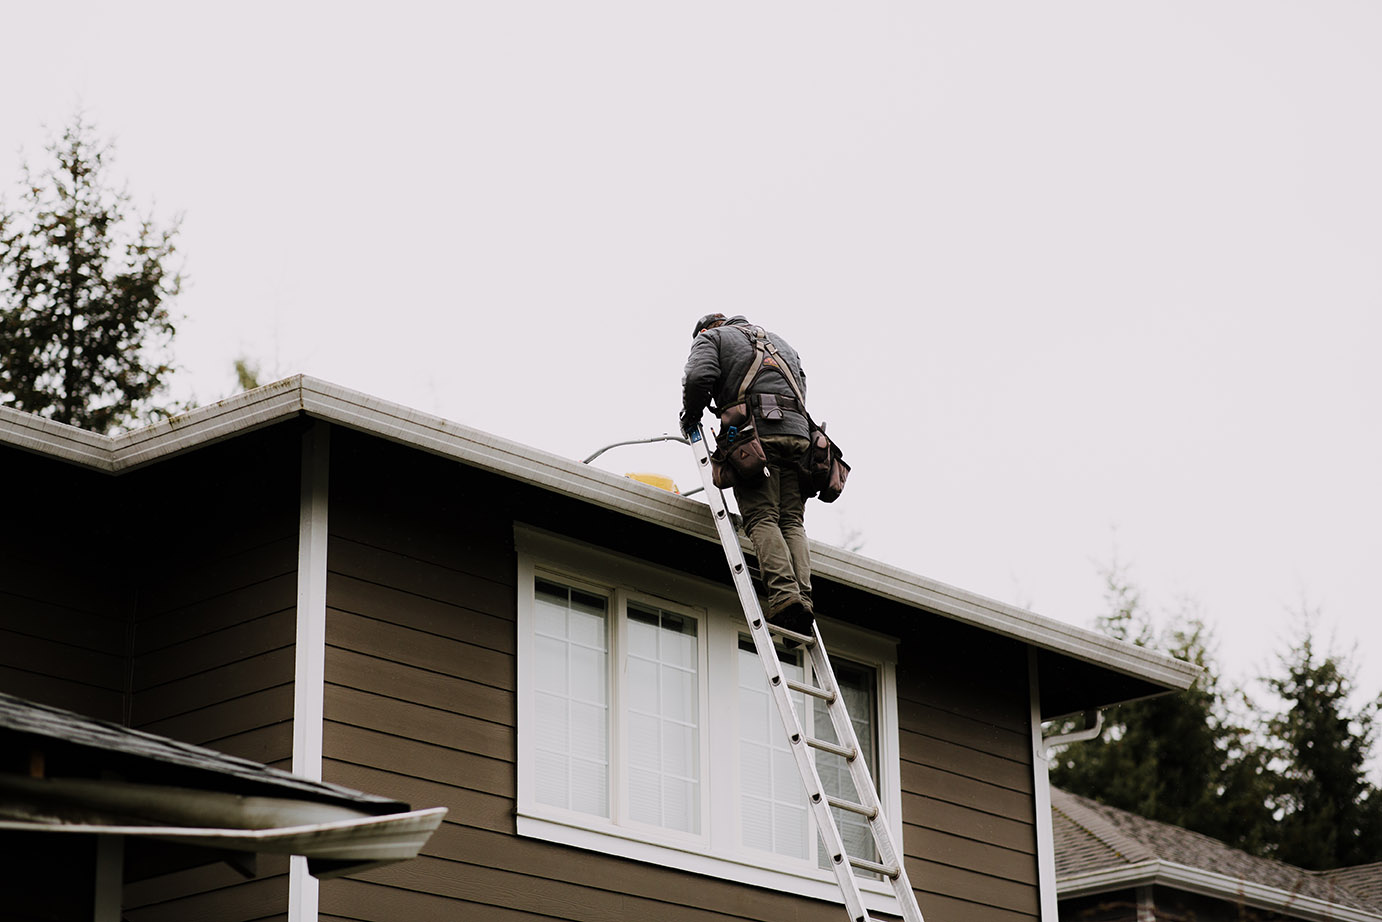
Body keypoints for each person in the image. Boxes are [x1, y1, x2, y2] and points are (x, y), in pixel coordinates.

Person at [680, 313, 815, 636]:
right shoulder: (781, 342)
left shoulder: (711, 339)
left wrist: (691, 416)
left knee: (762, 517)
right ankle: (804, 598)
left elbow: (699, 377)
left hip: (756, 438)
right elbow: (802, 385)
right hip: (798, 438)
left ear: (706, 329)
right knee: (792, 521)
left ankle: (785, 597)